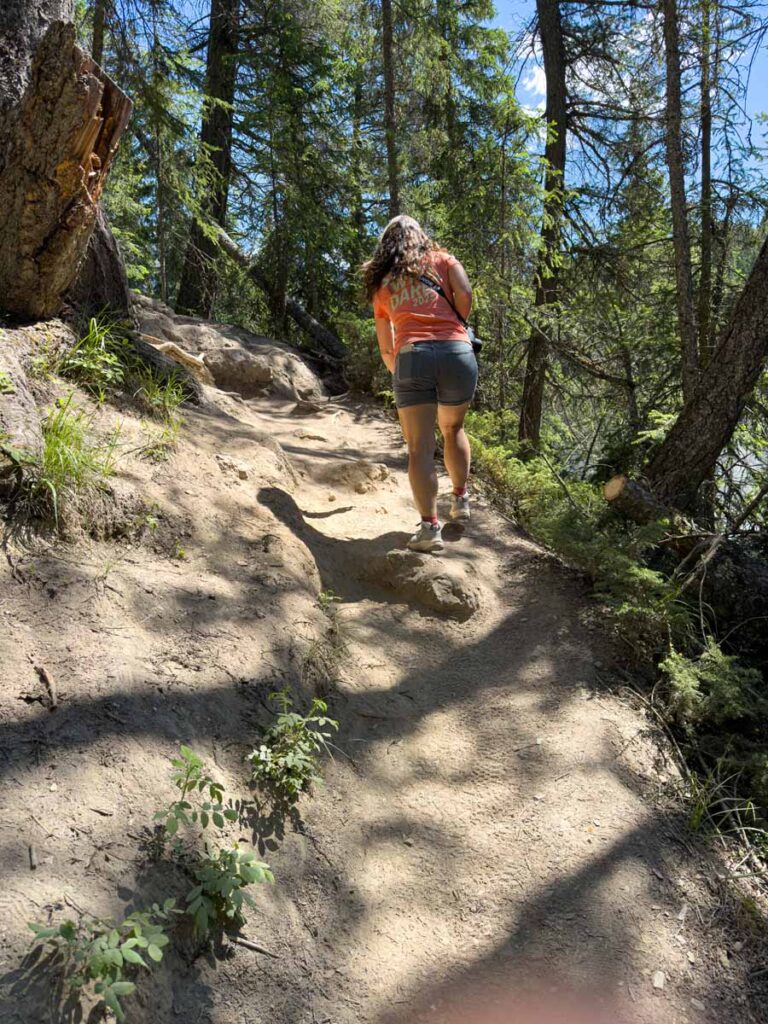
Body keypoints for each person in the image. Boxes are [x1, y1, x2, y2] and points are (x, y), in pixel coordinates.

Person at [362, 215, 478, 553]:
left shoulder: (384, 283)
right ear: (420, 236)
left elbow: (386, 346)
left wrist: (399, 372)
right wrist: (456, 325)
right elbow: (466, 293)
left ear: (388, 245)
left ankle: (429, 528)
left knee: (419, 447)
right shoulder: (444, 259)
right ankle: (460, 498)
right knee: (453, 427)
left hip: (411, 356)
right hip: (458, 351)